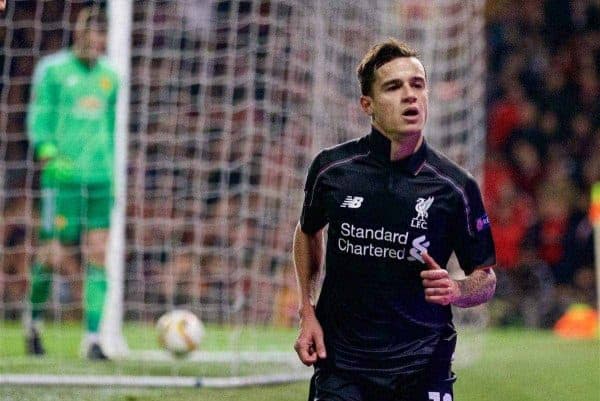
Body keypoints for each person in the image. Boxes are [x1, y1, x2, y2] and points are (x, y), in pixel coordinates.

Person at [293, 39, 497, 401]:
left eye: (417, 85)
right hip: (343, 366)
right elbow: (308, 233)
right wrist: (307, 310)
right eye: (394, 86)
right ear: (367, 105)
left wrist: (457, 289)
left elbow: (486, 279)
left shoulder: (456, 188)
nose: (410, 95)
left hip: (422, 366)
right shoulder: (332, 170)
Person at [24, 6, 119, 360]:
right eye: (94, 36)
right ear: (80, 35)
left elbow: (109, 129)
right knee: (53, 256)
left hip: (99, 179)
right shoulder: (53, 70)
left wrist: (111, 173)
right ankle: (33, 322)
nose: (99, 44)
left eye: (103, 38)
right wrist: (47, 150)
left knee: (98, 254)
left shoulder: (111, 76)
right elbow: (39, 112)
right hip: (63, 179)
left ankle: (93, 337)